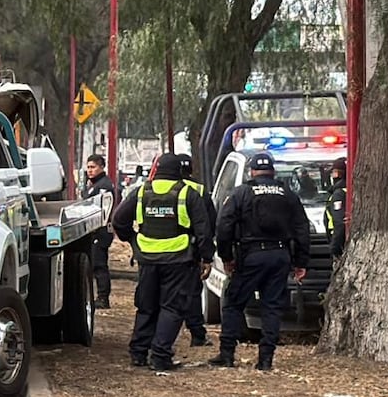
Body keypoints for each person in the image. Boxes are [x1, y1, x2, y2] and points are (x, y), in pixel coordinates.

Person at [209, 151, 310, 371]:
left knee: (234, 303)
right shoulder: (288, 194)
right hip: (280, 256)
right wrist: (301, 262)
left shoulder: (241, 193)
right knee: (272, 307)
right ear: (272, 172)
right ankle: (266, 360)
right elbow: (302, 229)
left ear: (252, 172)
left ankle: (227, 354)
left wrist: (226, 257)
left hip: (251, 256)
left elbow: (224, 225)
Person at [112, 153, 214, 371]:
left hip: (147, 258)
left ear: (156, 170)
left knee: (146, 306)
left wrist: (134, 240)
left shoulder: (141, 192)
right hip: (178, 259)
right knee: (172, 308)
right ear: (179, 171)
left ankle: (139, 353)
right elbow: (203, 230)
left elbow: (119, 219)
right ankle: (160, 356)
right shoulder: (187, 193)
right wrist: (206, 258)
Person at [174, 153, 216, 347]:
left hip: (159, 250)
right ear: (191, 169)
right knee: (192, 294)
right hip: (191, 251)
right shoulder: (199, 190)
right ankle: (197, 334)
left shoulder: (160, 188)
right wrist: (206, 255)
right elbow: (209, 225)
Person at [83, 154, 119, 309]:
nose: (90, 170)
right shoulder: (93, 184)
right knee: (94, 264)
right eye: (88, 167)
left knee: (99, 265)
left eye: (93, 167)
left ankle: (103, 298)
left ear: (101, 167)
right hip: (94, 230)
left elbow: (101, 209)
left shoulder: (103, 186)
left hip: (100, 230)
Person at [325, 157, 347, 260]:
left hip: (340, 243)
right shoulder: (348, 190)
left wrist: (334, 248)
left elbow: (339, 222)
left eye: (333, 172)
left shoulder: (339, 194)